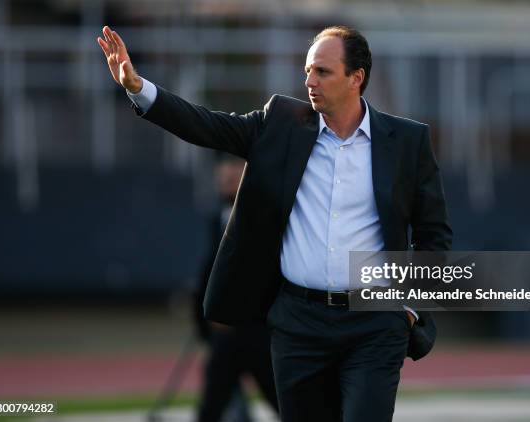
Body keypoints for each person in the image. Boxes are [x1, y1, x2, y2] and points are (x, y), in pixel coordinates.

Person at [98, 25, 452, 422]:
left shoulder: (407, 141)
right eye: (306, 71)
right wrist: (137, 87)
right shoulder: (281, 123)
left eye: (322, 72)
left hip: (373, 325)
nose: (309, 81)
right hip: (298, 325)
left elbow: (433, 233)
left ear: (357, 78)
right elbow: (206, 125)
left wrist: (409, 306)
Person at [192, 157, 278, 422]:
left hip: (259, 331)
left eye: (233, 176)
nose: (226, 181)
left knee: (285, 401)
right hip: (226, 335)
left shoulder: (267, 215)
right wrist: (206, 320)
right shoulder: (218, 218)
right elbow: (211, 271)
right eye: (223, 179)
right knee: (211, 406)